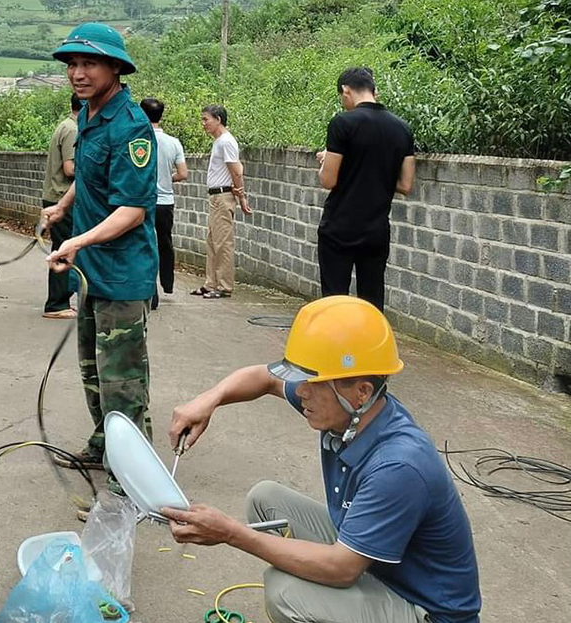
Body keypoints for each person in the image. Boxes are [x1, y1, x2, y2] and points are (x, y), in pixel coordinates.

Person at [162, 295, 481, 623]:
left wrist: (230, 533)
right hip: (380, 568)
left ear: (362, 391)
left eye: (313, 383)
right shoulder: (349, 409)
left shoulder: (398, 466)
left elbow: (342, 569)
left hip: (425, 609)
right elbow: (266, 378)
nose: (302, 392)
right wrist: (208, 400)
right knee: (265, 499)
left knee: (283, 591)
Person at [43, 23, 158, 516]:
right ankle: (102, 443)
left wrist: (77, 239)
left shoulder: (130, 127)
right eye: (72, 64)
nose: (77, 73)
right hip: (90, 271)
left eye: (88, 63)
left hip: (122, 272)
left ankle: (132, 484)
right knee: (92, 369)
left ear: (115, 68)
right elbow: (89, 179)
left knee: (123, 381)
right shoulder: (90, 117)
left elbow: (132, 209)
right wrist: (64, 208)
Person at [316, 67, 416, 312]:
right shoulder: (402, 128)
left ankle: (337, 350)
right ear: (375, 91)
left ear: (345, 91)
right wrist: (374, 172)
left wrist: (326, 160)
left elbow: (328, 180)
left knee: (334, 302)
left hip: (339, 228)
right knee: (372, 303)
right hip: (376, 230)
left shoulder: (342, 123)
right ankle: (369, 349)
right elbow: (405, 185)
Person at [190, 105, 251, 300]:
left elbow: (236, 171)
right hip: (216, 196)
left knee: (223, 242)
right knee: (212, 240)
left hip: (223, 196)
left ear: (218, 119)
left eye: (206, 119)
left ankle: (224, 286)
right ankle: (211, 283)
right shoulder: (219, 142)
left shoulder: (226, 142)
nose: (203, 124)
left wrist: (241, 196)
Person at [140, 98, 187, 311]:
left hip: (144, 202)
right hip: (166, 202)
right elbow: (183, 173)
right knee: (164, 243)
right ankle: (167, 283)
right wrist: (167, 178)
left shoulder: (138, 140)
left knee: (144, 245)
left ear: (142, 114)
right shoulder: (173, 142)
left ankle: (151, 292)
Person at [41, 94, 83, 320]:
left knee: (63, 247)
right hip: (61, 198)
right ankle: (56, 304)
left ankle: (60, 301)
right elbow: (69, 168)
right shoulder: (73, 130)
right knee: (64, 248)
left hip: (57, 197)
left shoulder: (66, 126)